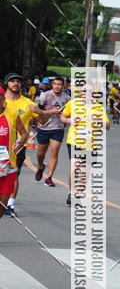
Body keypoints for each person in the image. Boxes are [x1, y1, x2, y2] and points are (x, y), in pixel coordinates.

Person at [2, 73, 52, 217]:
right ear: (7, 83)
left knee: (13, 175)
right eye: (12, 81)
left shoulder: (27, 103)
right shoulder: (1, 100)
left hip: (17, 145)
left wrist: (39, 112)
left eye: (18, 81)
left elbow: (44, 122)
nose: (16, 84)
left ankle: (10, 205)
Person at [60, 85, 110, 206]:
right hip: (74, 141)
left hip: (91, 144)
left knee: (85, 172)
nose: (85, 93)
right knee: (74, 167)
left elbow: (107, 126)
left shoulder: (98, 107)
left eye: (89, 91)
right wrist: (70, 120)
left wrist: (98, 121)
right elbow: (62, 117)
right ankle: (71, 193)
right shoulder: (72, 104)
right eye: (83, 91)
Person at [35, 75, 70, 186]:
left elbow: (69, 112)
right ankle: (41, 166)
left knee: (54, 153)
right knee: (41, 153)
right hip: (43, 127)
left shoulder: (67, 98)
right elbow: (37, 111)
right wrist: (51, 112)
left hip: (58, 129)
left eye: (59, 84)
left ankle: (49, 177)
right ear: (52, 85)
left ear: (63, 85)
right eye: (55, 84)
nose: (57, 86)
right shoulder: (45, 95)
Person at [0, 92, 27, 220]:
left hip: (8, 166)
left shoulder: (12, 116)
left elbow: (24, 133)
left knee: (3, 204)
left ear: (2, 100)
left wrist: (19, 143)